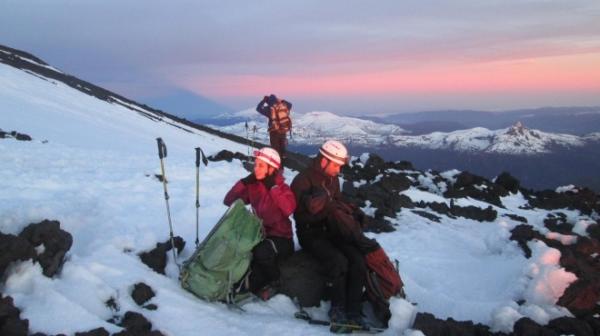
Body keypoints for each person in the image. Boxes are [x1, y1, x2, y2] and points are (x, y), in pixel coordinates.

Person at [291, 140, 377, 333]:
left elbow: (336, 202)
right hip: (310, 233)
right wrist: (328, 209)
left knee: (357, 259)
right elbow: (298, 214)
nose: (338, 170)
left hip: (331, 229)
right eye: (336, 165)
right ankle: (337, 310)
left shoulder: (332, 179)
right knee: (338, 261)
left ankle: (354, 311)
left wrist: (348, 211)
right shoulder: (301, 180)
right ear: (324, 161)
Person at [223, 147, 296, 300]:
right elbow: (229, 201)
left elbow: (288, 209)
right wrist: (243, 183)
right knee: (245, 252)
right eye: (255, 164)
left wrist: (273, 187)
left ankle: (275, 281)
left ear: (272, 169)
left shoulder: (282, 188)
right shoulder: (254, 186)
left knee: (261, 252)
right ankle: (238, 285)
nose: (255, 168)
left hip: (281, 238)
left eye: (261, 165)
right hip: (259, 235)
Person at [256, 94, 292, 162]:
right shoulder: (283, 106)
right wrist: (281, 100)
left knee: (275, 149)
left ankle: (277, 163)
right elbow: (290, 104)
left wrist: (264, 100)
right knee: (282, 147)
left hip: (274, 131)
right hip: (283, 130)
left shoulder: (269, 109)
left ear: (268, 102)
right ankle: (283, 159)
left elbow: (258, 108)